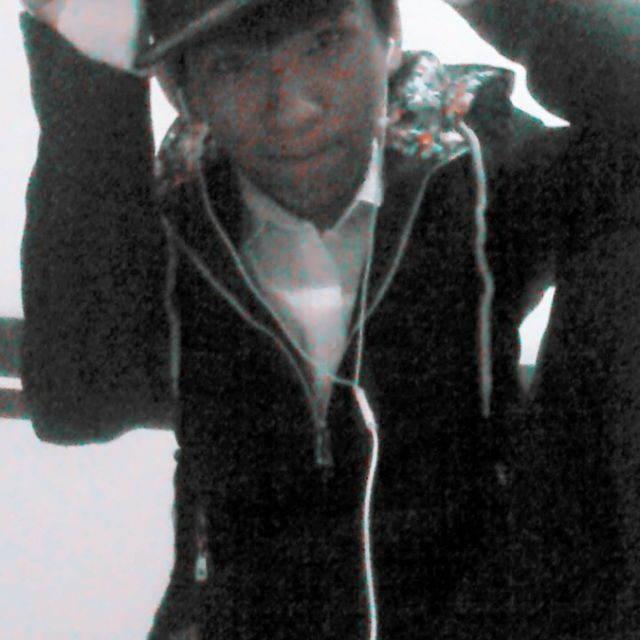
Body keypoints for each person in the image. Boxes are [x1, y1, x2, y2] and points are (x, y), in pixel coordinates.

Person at [17, 0, 640, 638]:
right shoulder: (177, 216)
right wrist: (90, 76)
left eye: (324, 46)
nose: (292, 108)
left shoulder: (475, 168)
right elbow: (80, 400)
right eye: (234, 67)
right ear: (185, 93)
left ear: (389, 40)